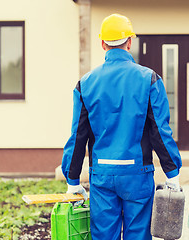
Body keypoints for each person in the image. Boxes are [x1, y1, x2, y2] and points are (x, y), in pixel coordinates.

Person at [61, 13, 182, 240]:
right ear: (129, 42)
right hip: (138, 174)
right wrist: (172, 172)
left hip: (103, 175)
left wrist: (73, 180)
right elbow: (160, 131)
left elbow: (78, 136)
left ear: (102, 43)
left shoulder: (85, 83)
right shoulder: (150, 79)